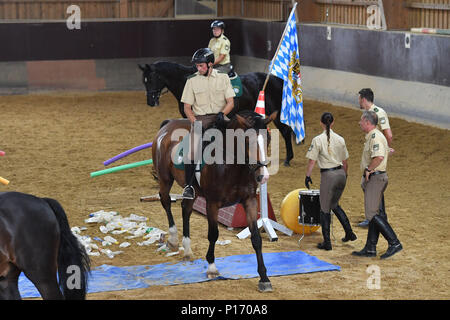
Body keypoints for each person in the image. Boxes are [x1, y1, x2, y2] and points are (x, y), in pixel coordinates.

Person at [180, 47, 235, 199]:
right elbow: (187, 108)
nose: (198, 68)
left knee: (240, 138)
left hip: (220, 117)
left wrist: (222, 114)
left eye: (201, 65)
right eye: (197, 66)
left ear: (210, 64)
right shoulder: (192, 81)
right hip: (201, 120)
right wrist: (195, 123)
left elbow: (231, 102)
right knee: (191, 150)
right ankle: (189, 186)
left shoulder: (223, 78)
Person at [352, 111, 402, 259]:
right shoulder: (375, 136)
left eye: (361, 121)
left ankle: (394, 242)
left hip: (375, 178)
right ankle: (370, 248)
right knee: (376, 213)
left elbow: (379, 156)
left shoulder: (375, 137)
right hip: (375, 178)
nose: (359, 123)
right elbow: (383, 152)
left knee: (372, 214)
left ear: (368, 122)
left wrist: (369, 169)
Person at [305, 112, 357, 250]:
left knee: (324, 209)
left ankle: (327, 242)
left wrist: (307, 175)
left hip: (328, 176)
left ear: (321, 123)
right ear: (332, 123)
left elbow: (312, 161)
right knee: (335, 204)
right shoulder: (340, 139)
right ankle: (349, 233)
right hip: (341, 174)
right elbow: (345, 162)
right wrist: (345, 175)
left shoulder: (318, 140)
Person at [357, 88, 394, 227]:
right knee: (370, 187)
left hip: (377, 156)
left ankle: (378, 217)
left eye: (359, 99)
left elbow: (388, 134)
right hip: (374, 153)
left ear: (364, 99)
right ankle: (376, 216)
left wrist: (385, 149)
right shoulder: (368, 115)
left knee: (374, 185)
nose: (358, 101)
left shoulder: (379, 113)